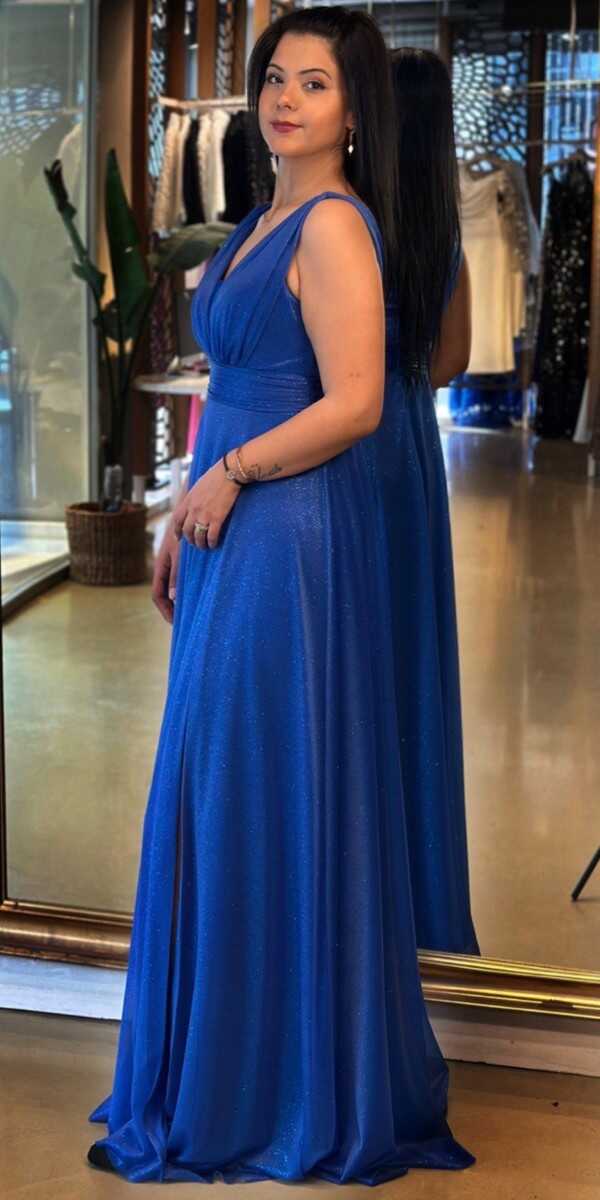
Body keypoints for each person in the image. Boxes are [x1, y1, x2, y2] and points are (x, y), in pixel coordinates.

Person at [87, 7, 476, 1184]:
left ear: (356, 112)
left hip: (289, 530)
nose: (284, 99)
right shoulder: (263, 218)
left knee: (255, 776)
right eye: (274, 78)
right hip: (232, 515)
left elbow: (356, 403)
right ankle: (229, 1065)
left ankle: (269, 1087)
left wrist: (232, 477)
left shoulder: (338, 225)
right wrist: (184, 503)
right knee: (223, 777)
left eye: (314, 82)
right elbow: (237, 382)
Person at [368, 46, 480, 956]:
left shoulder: (346, 217)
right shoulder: (439, 229)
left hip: (340, 437)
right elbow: (451, 361)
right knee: (404, 650)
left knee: (345, 651)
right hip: (404, 442)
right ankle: (417, 899)